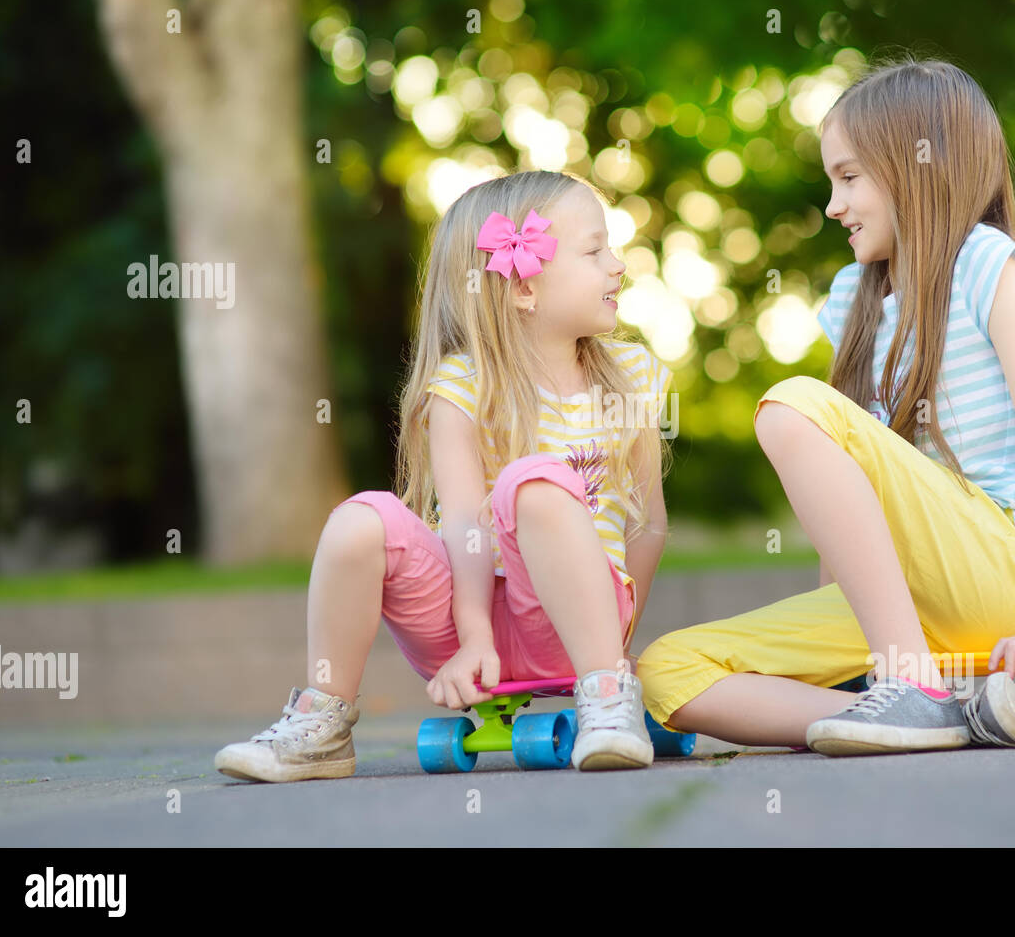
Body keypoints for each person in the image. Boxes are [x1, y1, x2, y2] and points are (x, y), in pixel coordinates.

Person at [638, 57, 1015, 756]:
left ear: (921, 167)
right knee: (664, 670)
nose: (833, 205)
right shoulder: (854, 300)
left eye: (849, 177)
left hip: (1004, 573)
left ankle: (911, 685)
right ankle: (931, 713)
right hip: (908, 612)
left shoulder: (987, 266)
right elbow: (853, 496)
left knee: (792, 403)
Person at [215, 170, 673, 779]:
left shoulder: (630, 374)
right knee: (360, 519)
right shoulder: (460, 388)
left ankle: (607, 698)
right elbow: (462, 524)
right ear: (523, 288)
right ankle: (323, 720)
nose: (617, 265)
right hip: (467, 626)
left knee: (532, 483)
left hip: (575, 626)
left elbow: (648, 524)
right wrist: (476, 636)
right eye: (595, 250)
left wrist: (614, 643)